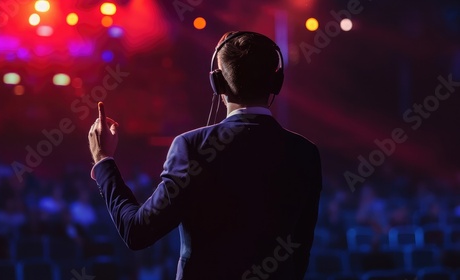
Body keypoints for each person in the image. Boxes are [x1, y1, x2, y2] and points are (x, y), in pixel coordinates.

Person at [88, 31, 322, 279]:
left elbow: (136, 233)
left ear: (217, 82)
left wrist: (104, 161)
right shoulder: (305, 153)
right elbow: (300, 250)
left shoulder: (191, 147)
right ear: (276, 82)